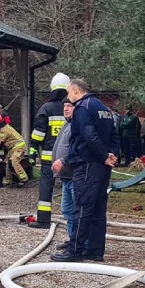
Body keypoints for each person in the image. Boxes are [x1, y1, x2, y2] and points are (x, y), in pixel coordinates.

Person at [52, 78, 118, 263]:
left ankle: (75, 250)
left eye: (68, 92)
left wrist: (104, 155)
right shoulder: (103, 109)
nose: (67, 96)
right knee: (98, 209)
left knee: (81, 208)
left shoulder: (82, 108)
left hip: (87, 164)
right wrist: (112, 155)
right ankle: (95, 250)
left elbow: (88, 135)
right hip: (102, 167)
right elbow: (114, 135)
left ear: (75, 90)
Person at [29, 72, 70, 228]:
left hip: (48, 158)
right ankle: (73, 221)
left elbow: (39, 133)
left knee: (46, 187)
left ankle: (44, 220)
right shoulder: (72, 108)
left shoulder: (46, 108)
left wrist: (33, 149)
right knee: (70, 188)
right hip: (69, 158)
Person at [50, 99, 77, 251]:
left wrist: (64, 161)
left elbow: (76, 150)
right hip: (66, 177)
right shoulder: (67, 124)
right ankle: (72, 239)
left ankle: (78, 243)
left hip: (74, 176)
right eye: (64, 106)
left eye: (69, 106)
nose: (66, 109)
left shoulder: (76, 125)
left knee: (76, 210)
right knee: (67, 210)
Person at [0, 121, 29, 186]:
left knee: (13, 161)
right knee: (7, 163)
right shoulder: (5, 128)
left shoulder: (3, 131)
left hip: (19, 147)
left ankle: (24, 179)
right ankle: (8, 180)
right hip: (14, 148)